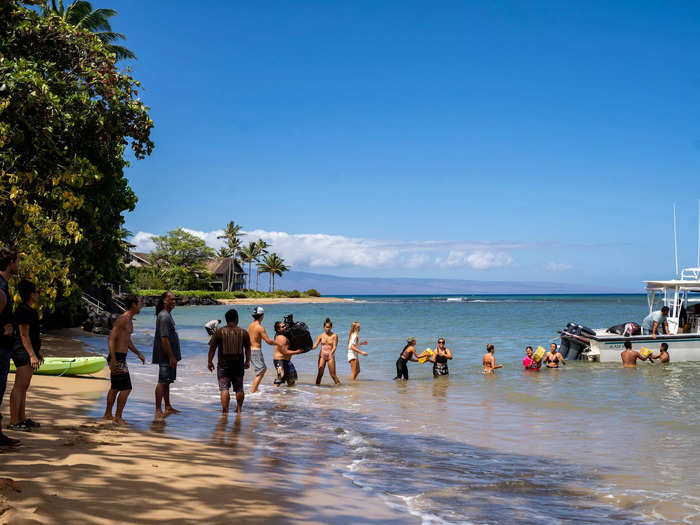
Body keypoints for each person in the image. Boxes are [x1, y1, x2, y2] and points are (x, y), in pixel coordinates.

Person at [102, 295, 146, 425]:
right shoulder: (123, 319)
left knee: (115, 387)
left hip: (120, 357)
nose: (141, 305)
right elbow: (111, 338)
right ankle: (118, 417)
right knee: (126, 388)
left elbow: (127, 340)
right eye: (140, 303)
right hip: (117, 358)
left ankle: (107, 415)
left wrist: (138, 353)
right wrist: (114, 359)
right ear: (133, 304)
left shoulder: (129, 320)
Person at [8, 280, 43, 431]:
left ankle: (21, 418)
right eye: (37, 291)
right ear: (30, 294)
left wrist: (37, 354)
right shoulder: (23, 310)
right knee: (19, 386)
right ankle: (14, 421)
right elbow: (24, 336)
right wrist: (32, 355)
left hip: (27, 351)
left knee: (24, 386)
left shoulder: (30, 310)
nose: (39, 294)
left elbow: (33, 336)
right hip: (22, 351)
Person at [208, 309, 251, 414]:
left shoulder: (219, 332)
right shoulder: (244, 332)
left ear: (226, 319)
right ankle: (239, 409)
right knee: (239, 388)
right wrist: (247, 361)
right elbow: (248, 348)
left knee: (224, 388)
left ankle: (225, 411)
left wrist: (210, 361)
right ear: (236, 319)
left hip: (223, 364)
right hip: (238, 364)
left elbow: (212, 349)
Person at [0, 247, 20, 446]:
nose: (19, 264)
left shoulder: (4, 286)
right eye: (17, 261)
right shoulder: (0, 288)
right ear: (10, 263)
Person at [152, 291, 181, 420]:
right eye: (172, 299)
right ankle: (158, 409)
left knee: (167, 381)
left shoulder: (167, 315)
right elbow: (164, 338)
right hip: (165, 355)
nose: (174, 302)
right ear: (165, 301)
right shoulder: (164, 316)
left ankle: (168, 406)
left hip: (169, 355)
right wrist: (171, 356)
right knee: (162, 382)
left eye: (175, 300)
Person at [247, 306, 275, 393]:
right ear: (262, 315)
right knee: (261, 371)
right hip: (256, 351)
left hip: (250, 350)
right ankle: (253, 391)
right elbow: (268, 341)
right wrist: (278, 343)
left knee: (260, 370)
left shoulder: (250, 325)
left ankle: (255, 389)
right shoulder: (260, 327)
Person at [272, 321, 304, 387]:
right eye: (283, 327)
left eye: (285, 325)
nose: (285, 327)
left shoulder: (284, 335)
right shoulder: (281, 338)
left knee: (291, 380)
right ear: (278, 329)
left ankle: (288, 395)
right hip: (279, 360)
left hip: (286, 361)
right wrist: (298, 351)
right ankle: (273, 391)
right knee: (281, 376)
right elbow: (285, 352)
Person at [311, 318, 339, 385]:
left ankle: (340, 388)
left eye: (329, 327)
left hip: (330, 356)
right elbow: (315, 346)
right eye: (326, 327)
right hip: (322, 356)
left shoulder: (334, 336)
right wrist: (308, 347)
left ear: (331, 327)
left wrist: (331, 353)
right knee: (320, 374)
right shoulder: (321, 335)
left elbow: (335, 346)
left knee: (333, 375)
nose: (327, 329)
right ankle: (317, 389)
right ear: (324, 327)